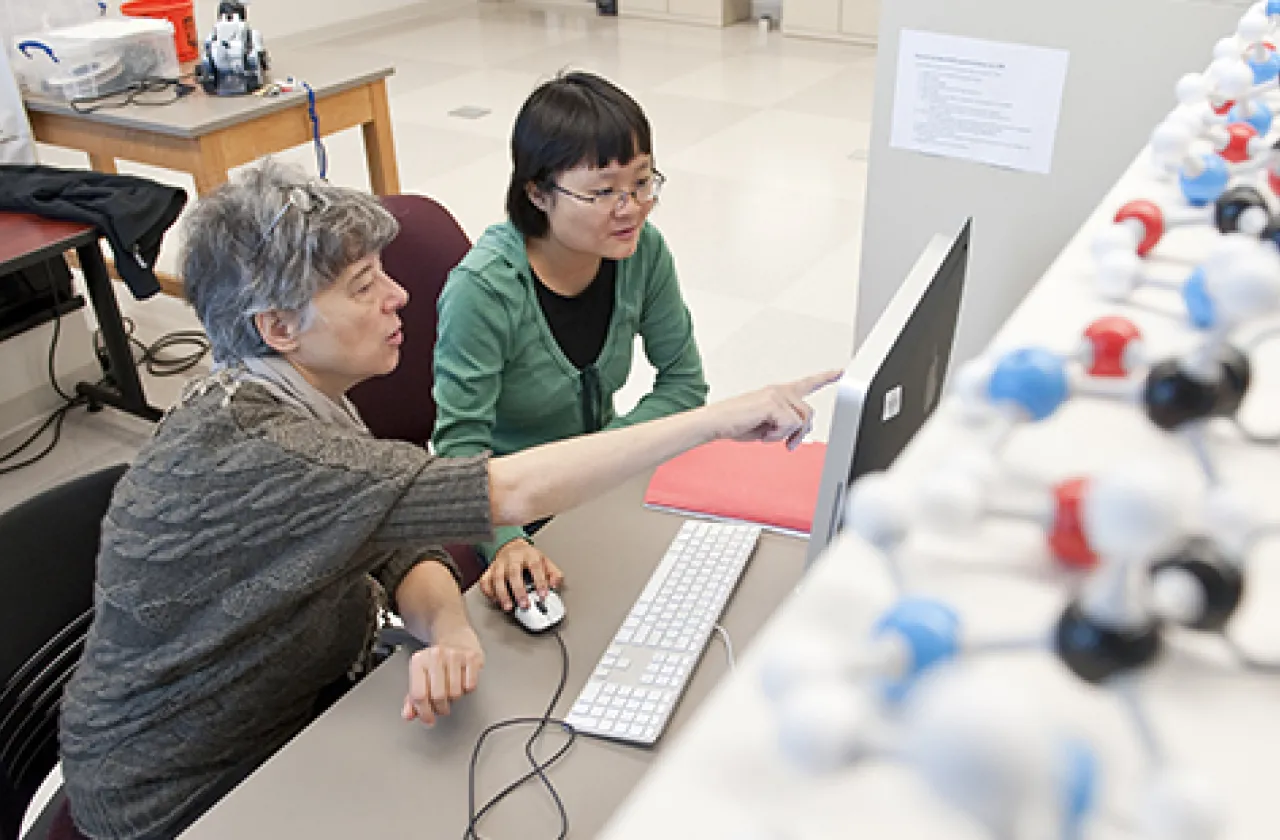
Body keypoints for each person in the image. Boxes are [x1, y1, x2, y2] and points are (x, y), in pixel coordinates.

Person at [54, 160, 835, 840]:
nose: (399, 296)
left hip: (295, 714)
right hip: (185, 794)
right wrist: (717, 421)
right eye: (365, 286)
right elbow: (509, 489)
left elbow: (395, 533)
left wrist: (448, 627)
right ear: (278, 327)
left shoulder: (289, 400)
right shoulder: (274, 450)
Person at [432, 71, 706, 613]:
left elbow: (684, 383)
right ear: (537, 192)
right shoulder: (483, 289)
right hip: (511, 508)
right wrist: (506, 541)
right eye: (603, 191)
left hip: (598, 491)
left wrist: (605, 455)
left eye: (642, 183)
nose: (629, 208)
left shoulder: (642, 251)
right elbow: (460, 452)